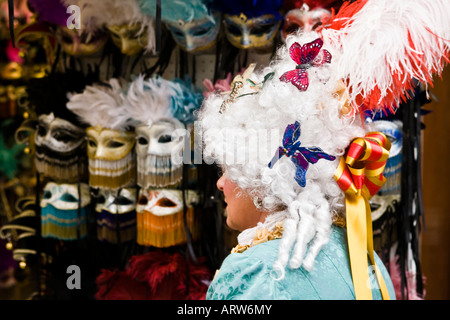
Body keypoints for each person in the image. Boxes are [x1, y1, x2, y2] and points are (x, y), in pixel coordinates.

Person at [198, 30, 397, 300]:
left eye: (228, 170)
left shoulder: (257, 272)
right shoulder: (365, 258)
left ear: (262, 183)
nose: (220, 183)